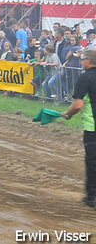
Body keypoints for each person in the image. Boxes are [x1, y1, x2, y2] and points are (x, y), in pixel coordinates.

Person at [61, 49, 96, 209]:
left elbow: (78, 104)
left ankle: (92, 197)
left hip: (92, 128)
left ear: (89, 60)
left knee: (92, 162)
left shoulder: (85, 77)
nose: (81, 63)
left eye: (82, 60)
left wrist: (68, 114)